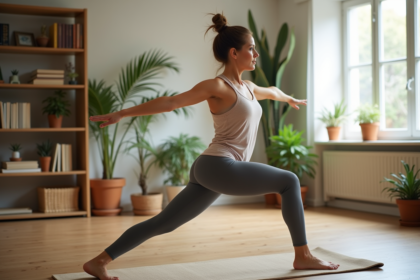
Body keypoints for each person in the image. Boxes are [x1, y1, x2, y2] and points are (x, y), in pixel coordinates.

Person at [83, 13, 340, 280]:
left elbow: (272, 91)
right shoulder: (217, 86)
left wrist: (288, 98)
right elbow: (170, 102)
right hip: (219, 164)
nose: (255, 54)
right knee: (289, 181)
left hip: (212, 169)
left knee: (163, 223)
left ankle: (98, 262)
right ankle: (303, 256)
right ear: (234, 52)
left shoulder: (249, 88)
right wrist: (122, 114)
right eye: (251, 48)